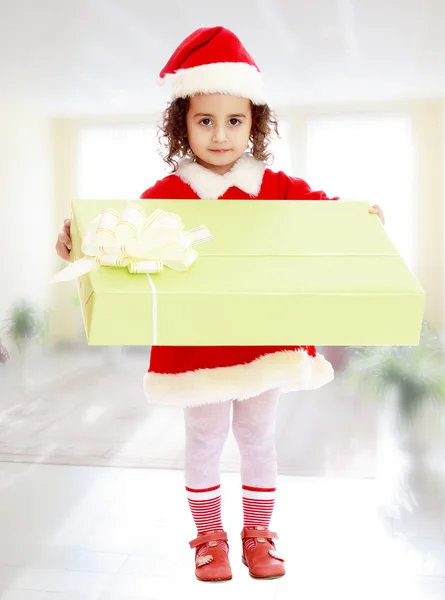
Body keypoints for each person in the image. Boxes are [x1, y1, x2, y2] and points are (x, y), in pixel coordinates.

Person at [56, 26, 385, 582]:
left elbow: (326, 213)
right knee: (205, 438)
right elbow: (121, 233)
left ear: (254, 123)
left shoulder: (276, 185)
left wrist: (362, 218)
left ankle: (258, 534)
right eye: (204, 120)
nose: (219, 134)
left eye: (234, 121)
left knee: (258, 437)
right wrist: (76, 237)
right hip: (196, 344)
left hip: (265, 337)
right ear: (182, 125)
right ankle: (209, 539)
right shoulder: (168, 192)